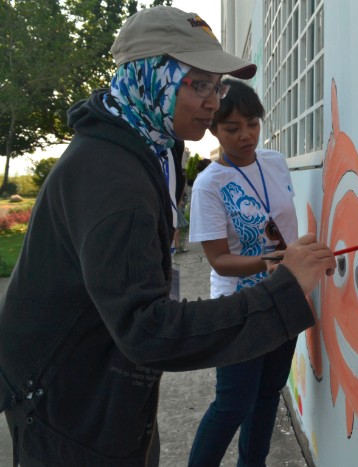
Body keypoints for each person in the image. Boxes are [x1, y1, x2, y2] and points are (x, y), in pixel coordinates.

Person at [0, 6, 336, 467]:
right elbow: (147, 328)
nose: (215, 102)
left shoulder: (153, 145)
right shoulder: (112, 180)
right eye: (199, 84)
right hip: (67, 404)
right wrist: (283, 289)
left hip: (109, 382)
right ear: (149, 76)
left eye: (217, 85)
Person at [187, 79, 297, 467]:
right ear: (214, 130)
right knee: (233, 404)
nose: (245, 135)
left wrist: (297, 259)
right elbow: (219, 259)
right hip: (240, 307)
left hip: (285, 296)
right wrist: (271, 262)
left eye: (252, 123)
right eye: (232, 128)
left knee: (268, 393)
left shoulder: (275, 161)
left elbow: (286, 225)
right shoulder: (209, 184)